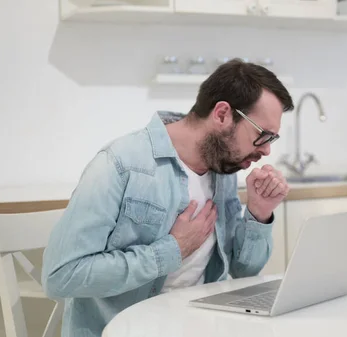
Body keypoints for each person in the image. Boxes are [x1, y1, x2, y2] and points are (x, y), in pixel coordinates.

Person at [41, 58, 294, 337]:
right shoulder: (120, 164)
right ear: (222, 114)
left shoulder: (223, 170)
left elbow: (243, 271)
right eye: (263, 136)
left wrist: (258, 213)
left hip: (203, 325)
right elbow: (61, 276)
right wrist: (172, 250)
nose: (267, 151)